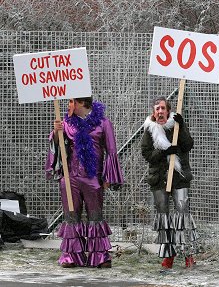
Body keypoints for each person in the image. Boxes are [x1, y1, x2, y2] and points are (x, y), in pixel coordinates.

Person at [45, 97, 124, 268]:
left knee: (95, 217)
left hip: (93, 177)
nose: (68, 105)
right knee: (71, 217)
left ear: (81, 103)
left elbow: (111, 151)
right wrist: (56, 134)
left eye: (72, 101)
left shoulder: (103, 123)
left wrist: (108, 177)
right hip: (70, 177)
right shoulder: (66, 123)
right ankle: (72, 256)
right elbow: (57, 150)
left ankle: (100, 256)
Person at [141, 96, 198, 271]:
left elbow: (188, 144)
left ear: (168, 111)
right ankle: (168, 256)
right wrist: (164, 150)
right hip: (159, 181)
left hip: (179, 179)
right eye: (157, 108)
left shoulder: (176, 125)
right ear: (153, 112)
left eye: (163, 108)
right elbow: (147, 154)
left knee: (183, 214)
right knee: (163, 218)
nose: (160, 111)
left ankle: (188, 254)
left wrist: (180, 128)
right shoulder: (149, 130)